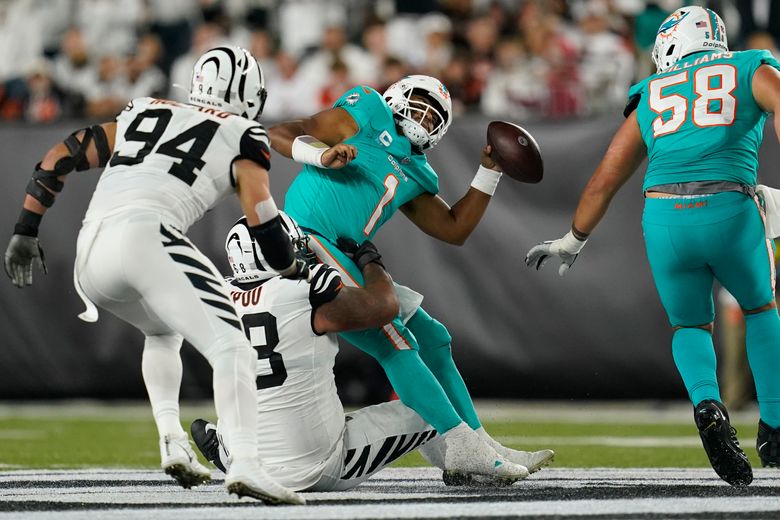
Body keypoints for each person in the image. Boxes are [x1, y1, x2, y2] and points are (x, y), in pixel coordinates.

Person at [3, 45, 309, 505]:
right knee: (232, 345)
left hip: (92, 255)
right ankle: (246, 462)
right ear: (248, 93)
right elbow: (263, 219)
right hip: (146, 236)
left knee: (163, 330)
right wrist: (290, 266)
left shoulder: (143, 110)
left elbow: (57, 157)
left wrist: (26, 231)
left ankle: (172, 439)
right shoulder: (243, 132)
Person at [525, 6, 780, 486]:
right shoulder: (750, 66)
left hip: (663, 220)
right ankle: (776, 426)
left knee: (689, 324)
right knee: (761, 309)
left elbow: (605, 177)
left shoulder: (653, 93)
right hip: (730, 208)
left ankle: (708, 404)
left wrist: (572, 240)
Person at [269, 74, 553, 483]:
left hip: (346, 254)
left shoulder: (417, 170)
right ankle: (461, 446)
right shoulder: (365, 113)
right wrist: (321, 155)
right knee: (395, 340)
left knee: (434, 337)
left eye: (435, 114)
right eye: (419, 103)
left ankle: (476, 442)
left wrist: (489, 171)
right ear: (395, 98)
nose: (424, 116)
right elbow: (282, 131)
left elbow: (454, 228)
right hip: (306, 240)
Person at [190, 215, 447, 490]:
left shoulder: (216, 296)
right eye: (289, 244)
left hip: (243, 458)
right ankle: (463, 462)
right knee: (435, 403)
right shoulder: (306, 293)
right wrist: (371, 262)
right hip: (315, 466)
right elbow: (384, 306)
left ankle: (226, 451)